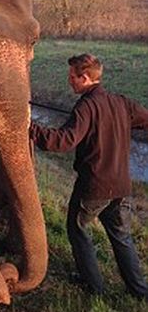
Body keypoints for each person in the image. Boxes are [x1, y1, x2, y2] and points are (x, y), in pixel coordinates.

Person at [30, 53, 148, 299]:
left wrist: (30, 128)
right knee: (122, 236)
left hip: (94, 187)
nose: (69, 81)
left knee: (77, 229)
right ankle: (140, 291)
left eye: (72, 77)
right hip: (122, 186)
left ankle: (93, 286)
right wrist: (122, 124)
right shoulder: (122, 103)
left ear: (85, 78)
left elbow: (63, 142)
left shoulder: (85, 107)